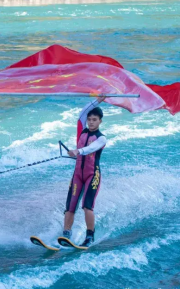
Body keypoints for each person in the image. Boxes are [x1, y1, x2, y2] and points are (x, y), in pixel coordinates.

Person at [62, 96, 106, 247]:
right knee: (70, 206)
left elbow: (91, 149)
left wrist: (78, 151)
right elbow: (83, 112)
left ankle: (89, 236)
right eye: (90, 119)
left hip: (92, 175)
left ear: (100, 121)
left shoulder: (101, 138)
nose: (91, 122)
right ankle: (66, 234)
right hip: (77, 176)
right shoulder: (82, 130)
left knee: (87, 206)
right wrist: (98, 100)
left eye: (95, 119)